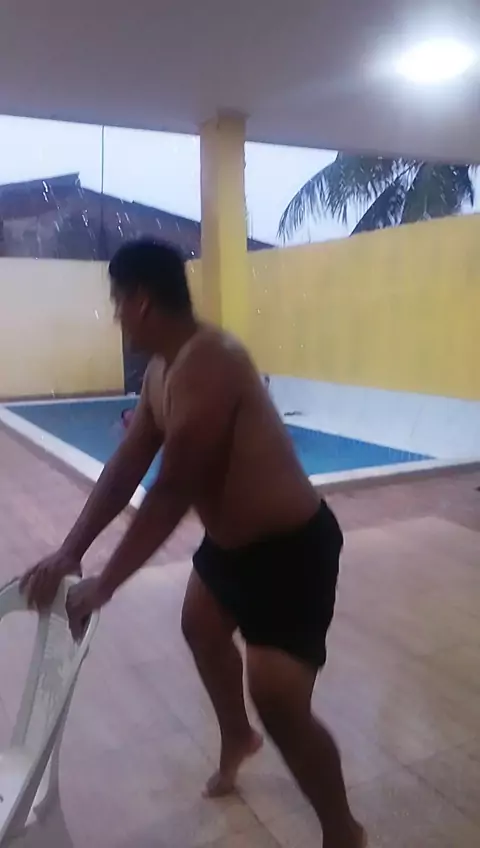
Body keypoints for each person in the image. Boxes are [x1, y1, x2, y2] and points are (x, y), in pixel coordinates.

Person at [20, 239, 366, 848]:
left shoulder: (212, 363)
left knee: (279, 704)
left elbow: (174, 488)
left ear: (141, 301)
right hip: (230, 549)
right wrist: (72, 550)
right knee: (201, 627)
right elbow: (127, 467)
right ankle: (238, 737)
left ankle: (344, 831)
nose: (116, 316)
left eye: (117, 303)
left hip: (290, 552)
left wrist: (106, 584)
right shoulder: (163, 370)